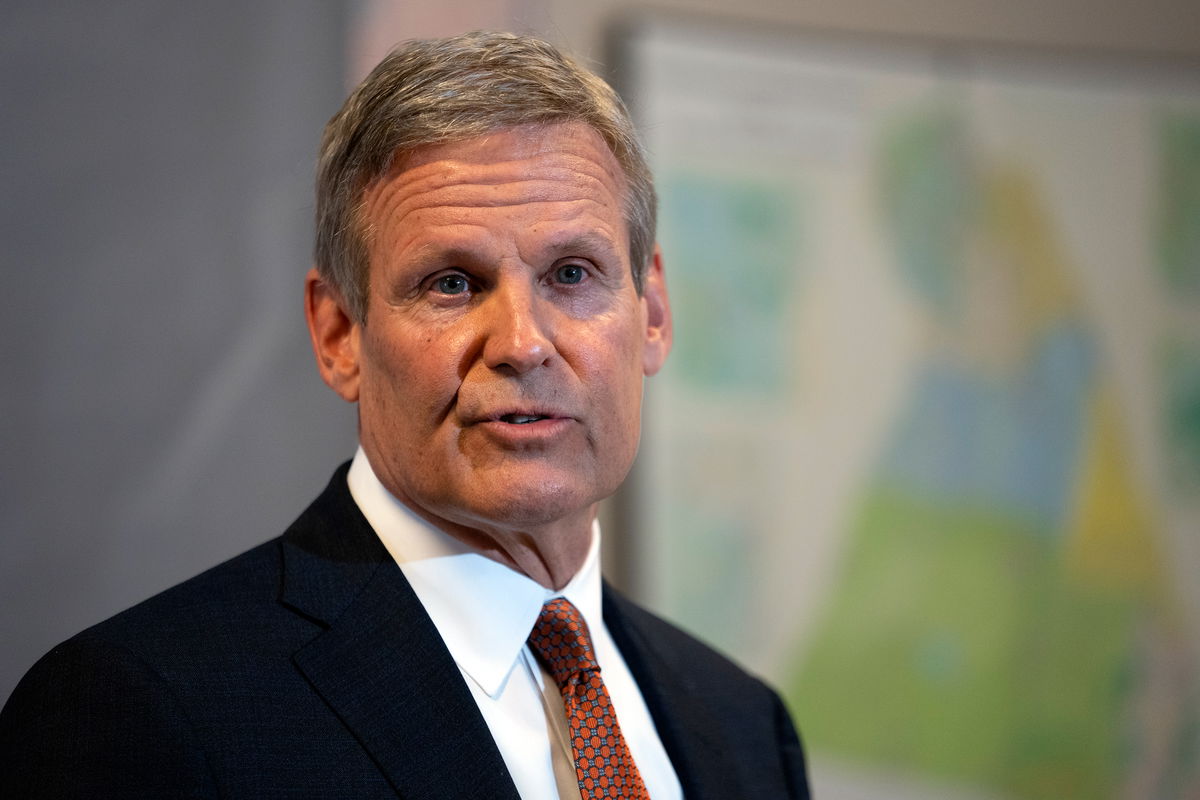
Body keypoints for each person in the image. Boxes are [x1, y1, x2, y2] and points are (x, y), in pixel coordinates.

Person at [0, 31, 810, 798]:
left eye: (572, 272)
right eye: (452, 283)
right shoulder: (141, 711)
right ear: (339, 334)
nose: (523, 344)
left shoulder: (743, 728)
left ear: (655, 314)